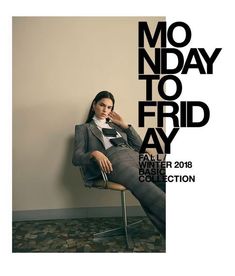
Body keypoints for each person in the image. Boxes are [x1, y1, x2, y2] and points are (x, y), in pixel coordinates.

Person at [72, 91, 165, 237]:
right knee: (145, 185)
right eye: (102, 105)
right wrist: (94, 153)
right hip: (113, 160)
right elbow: (76, 158)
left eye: (109, 107)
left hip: (134, 155)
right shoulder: (83, 129)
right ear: (94, 105)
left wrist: (125, 125)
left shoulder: (117, 127)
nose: (105, 110)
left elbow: (140, 146)